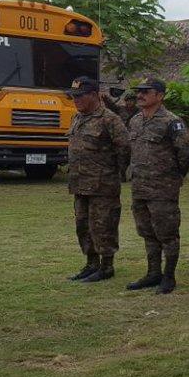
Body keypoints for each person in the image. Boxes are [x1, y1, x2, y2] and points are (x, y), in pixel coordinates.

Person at [125, 77, 189, 294]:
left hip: (163, 188)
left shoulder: (171, 122)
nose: (140, 95)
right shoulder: (135, 120)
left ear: (160, 95)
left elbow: (186, 152)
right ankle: (153, 272)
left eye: (146, 91)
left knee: (167, 233)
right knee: (146, 231)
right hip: (140, 187)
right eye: (139, 91)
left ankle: (169, 275)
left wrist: (174, 176)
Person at [64, 76, 130, 282]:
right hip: (79, 183)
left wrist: (115, 172)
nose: (76, 100)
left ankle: (107, 266)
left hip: (103, 184)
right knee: (83, 225)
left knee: (103, 225)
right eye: (73, 97)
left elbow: (125, 148)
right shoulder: (77, 118)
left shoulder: (110, 119)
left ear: (93, 95)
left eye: (80, 96)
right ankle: (91, 263)